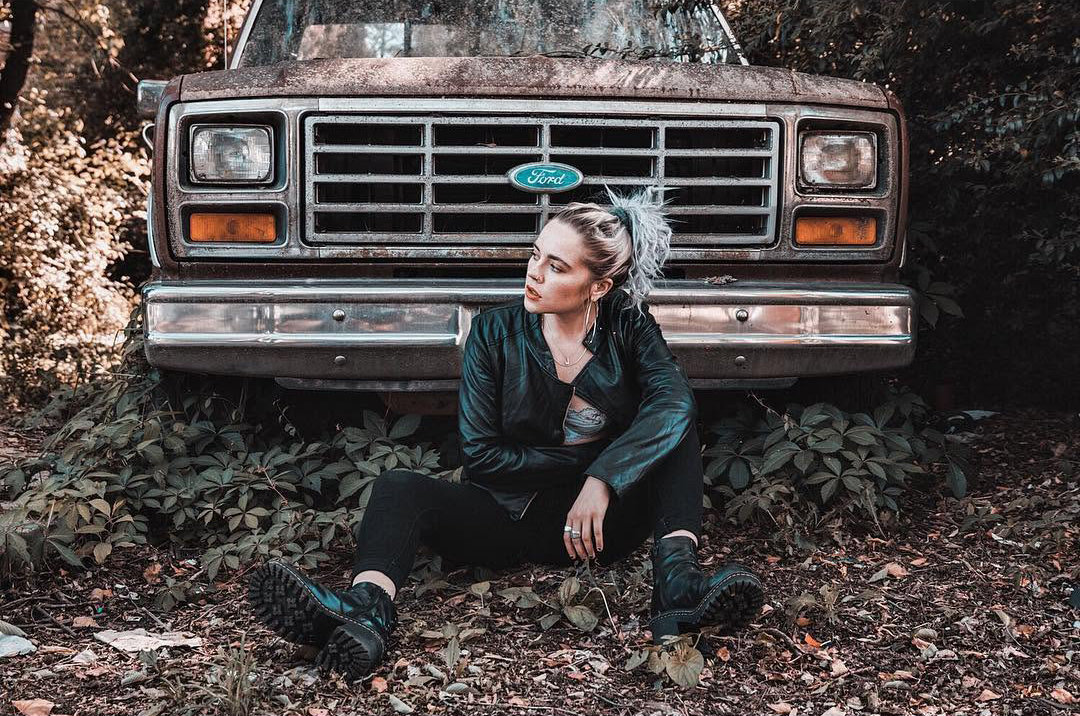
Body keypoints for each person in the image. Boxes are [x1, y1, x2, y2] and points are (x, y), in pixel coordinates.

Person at [247, 185, 765, 681]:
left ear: (599, 286)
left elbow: (673, 402)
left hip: (603, 527)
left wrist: (604, 481)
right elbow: (482, 458)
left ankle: (677, 585)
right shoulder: (493, 334)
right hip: (506, 516)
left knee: (673, 423)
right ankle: (366, 610)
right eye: (536, 254)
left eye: (556, 266)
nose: (533, 273)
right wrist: (596, 464)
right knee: (397, 488)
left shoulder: (628, 326)